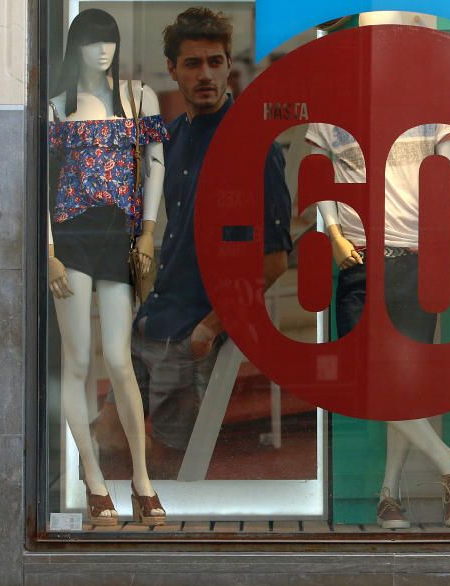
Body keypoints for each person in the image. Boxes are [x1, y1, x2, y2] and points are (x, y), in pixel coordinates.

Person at [304, 11, 450, 529]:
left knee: (402, 384)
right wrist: (333, 235)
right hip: (358, 254)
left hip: (414, 257)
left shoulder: (432, 104)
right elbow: (320, 178)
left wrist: (439, 251)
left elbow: (445, 178)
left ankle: (388, 495)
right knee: (367, 379)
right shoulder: (332, 108)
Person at [130, 7, 292, 465]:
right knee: (108, 438)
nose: (206, 74)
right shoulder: (173, 137)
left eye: (215, 62)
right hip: (152, 318)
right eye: (193, 63)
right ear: (172, 70)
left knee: (167, 458)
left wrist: (212, 326)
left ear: (228, 66)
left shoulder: (251, 144)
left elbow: (274, 262)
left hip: (193, 330)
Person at [47, 8, 168, 525]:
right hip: (71, 237)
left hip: (118, 237)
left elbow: (156, 161)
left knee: (119, 360)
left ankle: (142, 479)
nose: (103, 51)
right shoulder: (56, 109)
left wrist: (146, 229)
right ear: (75, 47)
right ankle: (95, 484)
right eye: (93, 42)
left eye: (110, 42)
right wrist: (49, 251)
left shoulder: (139, 98)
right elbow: (43, 182)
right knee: (77, 363)